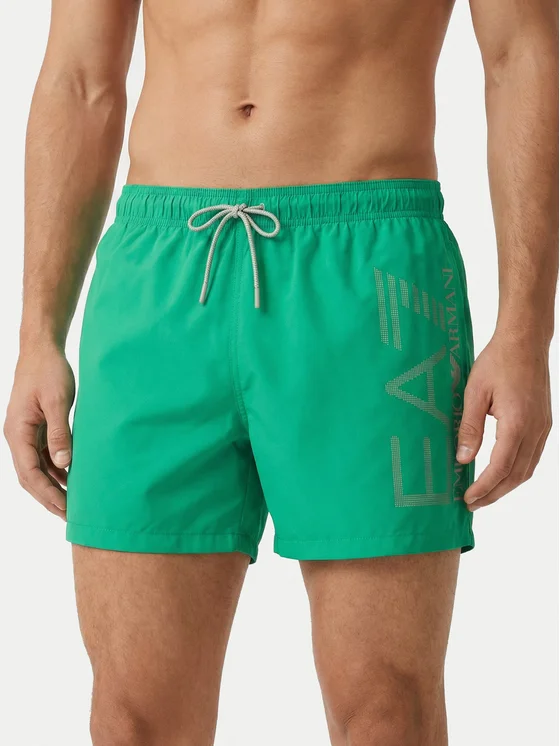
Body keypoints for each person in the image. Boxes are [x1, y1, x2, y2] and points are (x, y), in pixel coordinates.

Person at [4, 0, 557, 744]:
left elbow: (521, 56)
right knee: (132, 720)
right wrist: (37, 334)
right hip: (157, 271)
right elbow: (80, 81)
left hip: (369, 270)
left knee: (386, 710)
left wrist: (525, 332)